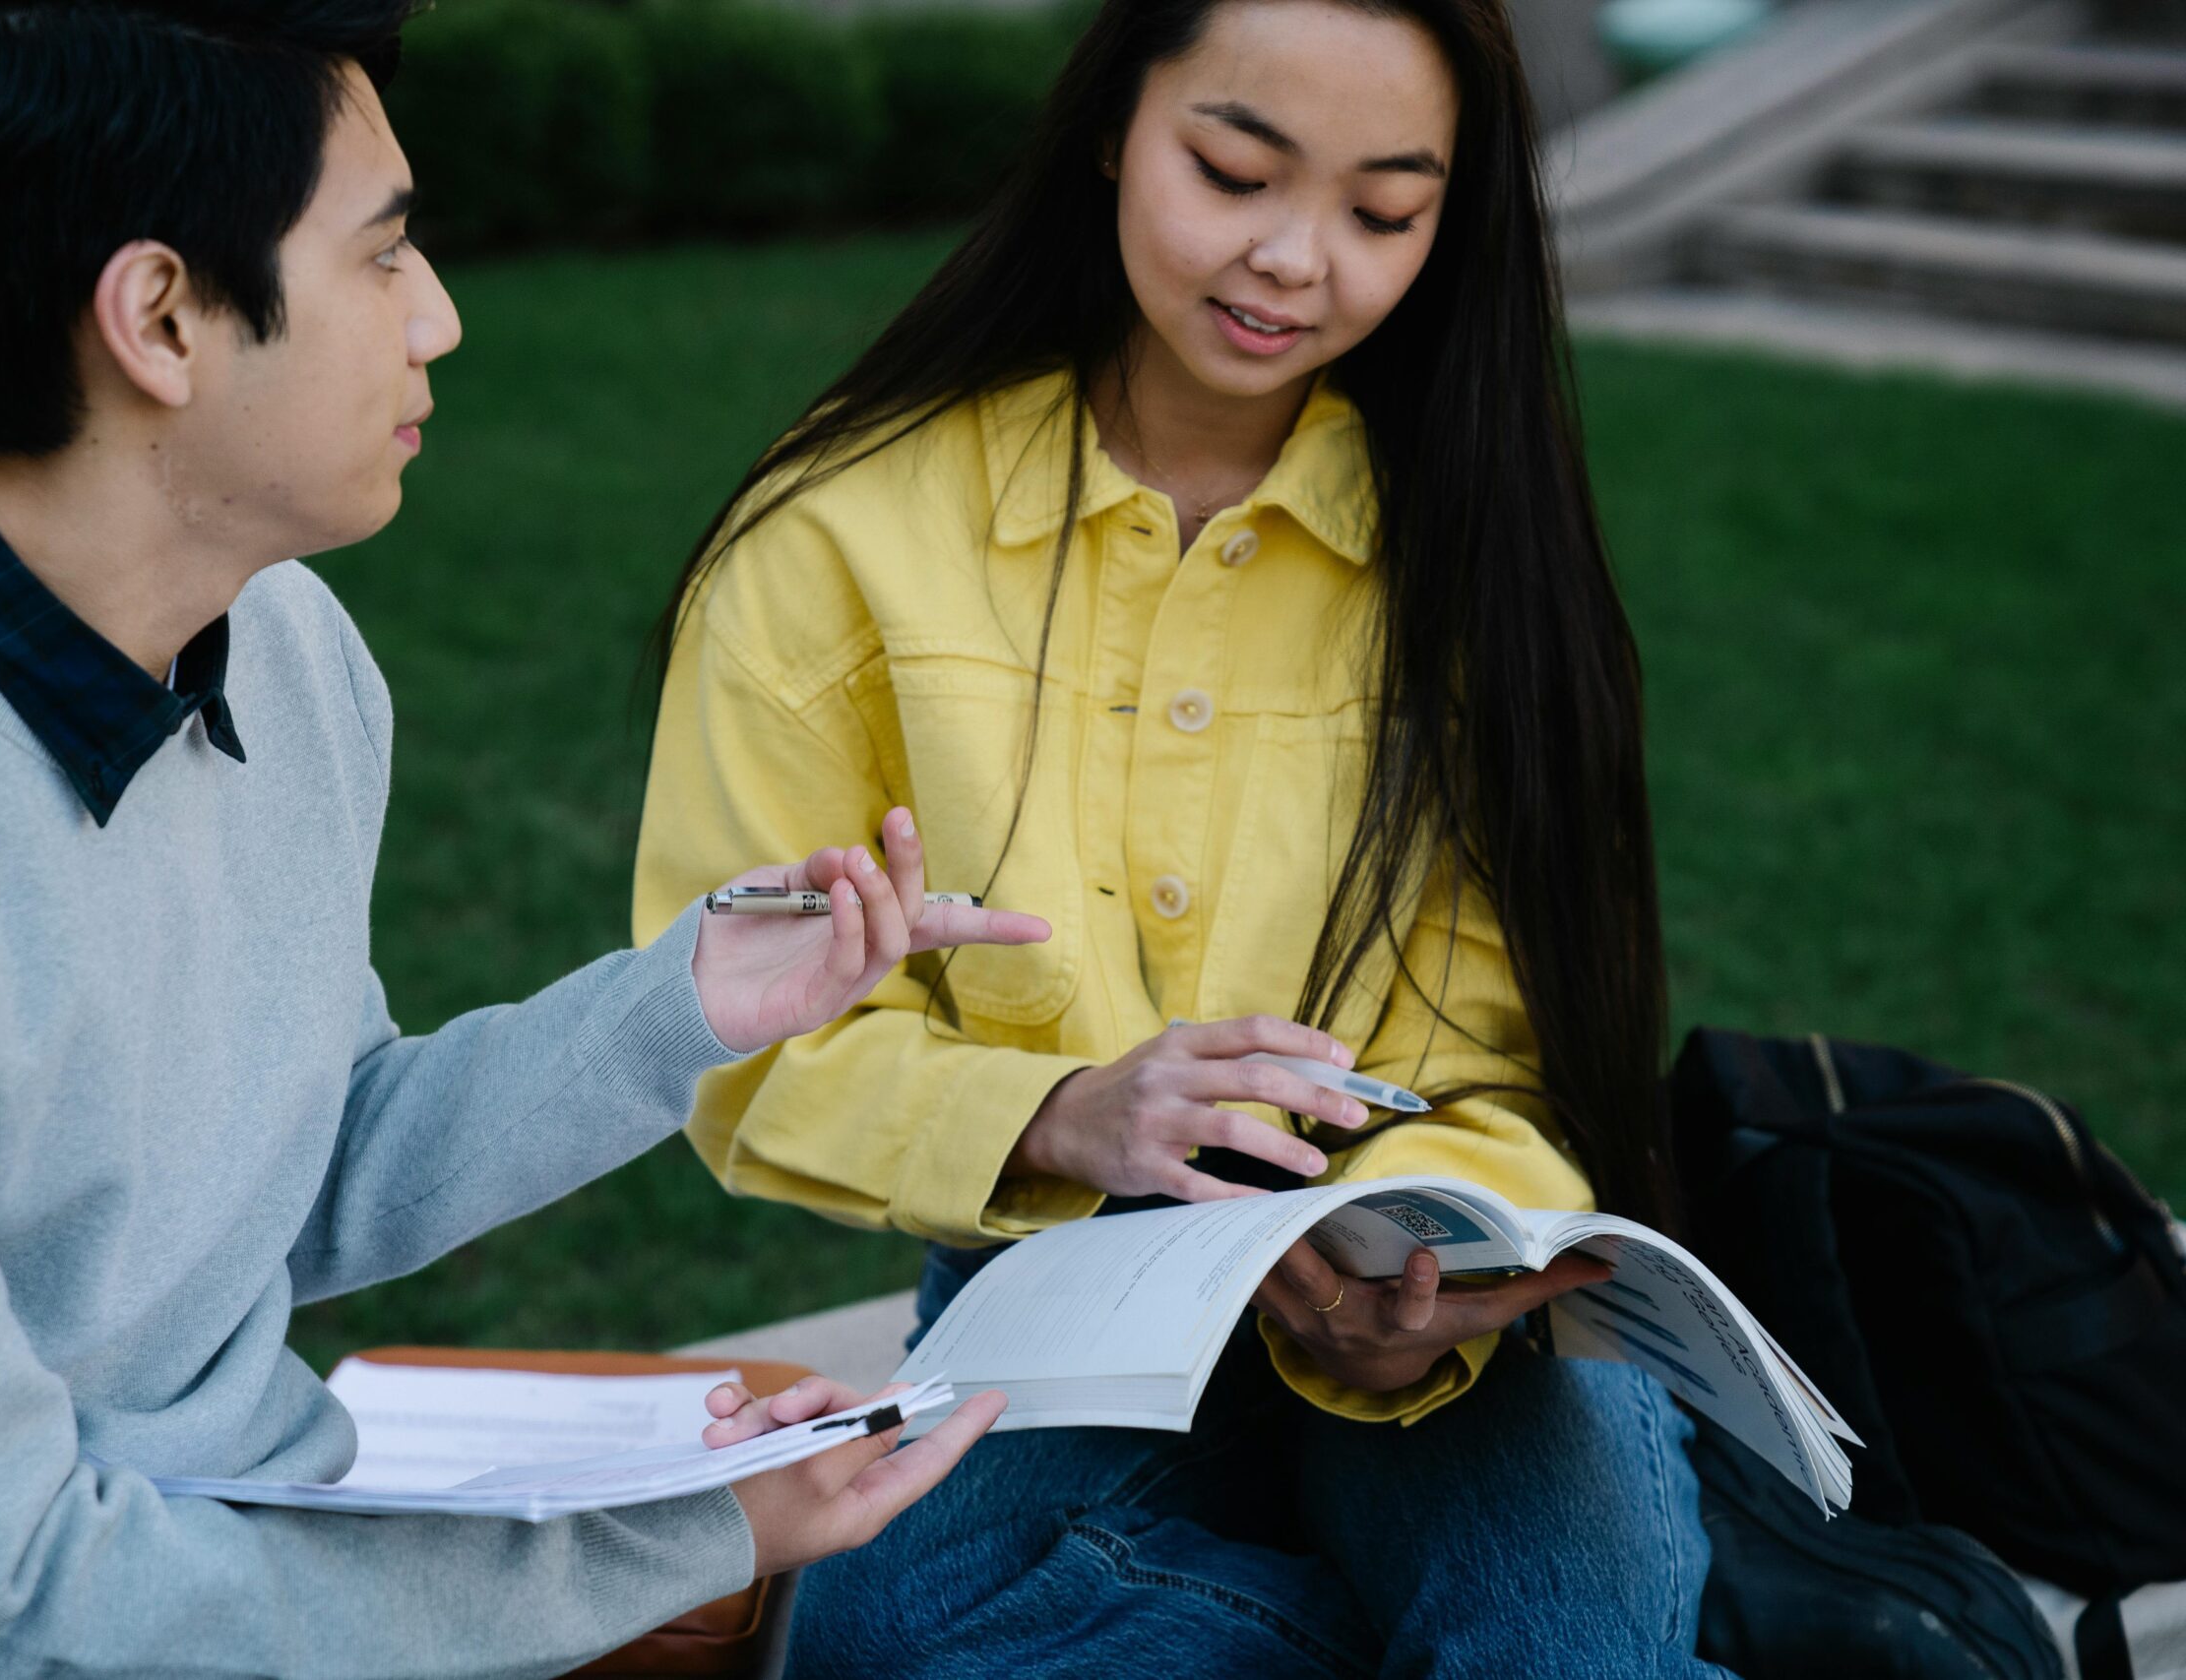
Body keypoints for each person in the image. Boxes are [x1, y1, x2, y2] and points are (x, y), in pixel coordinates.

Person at [0, 3, 1031, 1675]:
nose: (441, 318)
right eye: (384, 253)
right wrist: (678, 1540)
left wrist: (684, 1005)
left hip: (263, 1554)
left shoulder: (289, 646)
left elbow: (285, 1177)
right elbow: (0, 1612)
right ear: (159, 317)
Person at [634, 1, 1724, 1674]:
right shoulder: (842, 537)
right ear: (1109, 129)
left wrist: (1415, 1292)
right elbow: (722, 1035)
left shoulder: (1479, 555)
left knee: (1563, 1632)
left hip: (1414, 1279)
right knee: (898, 1629)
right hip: (1062, 1270)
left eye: (1383, 213)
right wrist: (1062, 1111)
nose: (1295, 259)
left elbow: (1511, 1047)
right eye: (1234, 170)